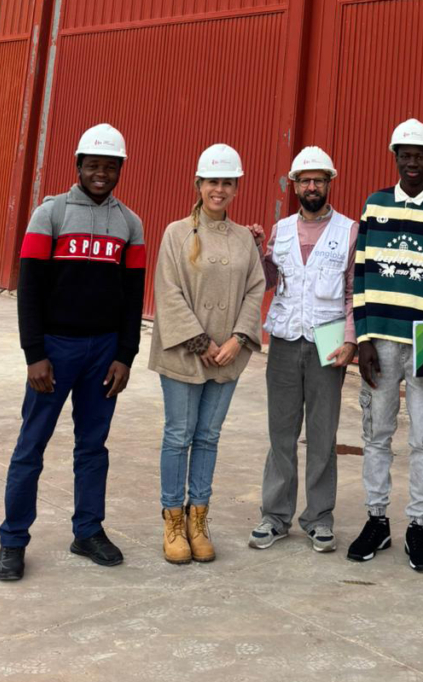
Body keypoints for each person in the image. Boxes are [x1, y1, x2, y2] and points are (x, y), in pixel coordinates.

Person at [0, 123, 146, 581]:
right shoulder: (50, 215)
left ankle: (88, 531)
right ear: (78, 166)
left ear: (120, 170)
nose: (102, 174)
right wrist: (34, 354)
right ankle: (12, 541)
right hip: (55, 351)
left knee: (92, 447)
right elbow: (29, 290)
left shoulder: (130, 224)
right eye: (93, 165)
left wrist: (125, 355)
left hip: (104, 352)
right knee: (31, 446)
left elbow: (133, 297)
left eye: (110, 167)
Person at [347, 119, 423, 572]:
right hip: (380, 340)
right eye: (405, 155)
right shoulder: (375, 205)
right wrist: (364, 338)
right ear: (395, 157)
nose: (412, 162)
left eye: (419, 155)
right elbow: (361, 275)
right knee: (376, 435)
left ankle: (417, 525)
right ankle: (377, 519)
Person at [148, 143, 265, 564]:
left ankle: (198, 520)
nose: (220, 189)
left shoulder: (244, 239)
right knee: (179, 436)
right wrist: (201, 342)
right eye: (213, 181)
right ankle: (173, 520)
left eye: (227, 183)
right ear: (198, 184)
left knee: (208, 437)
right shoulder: (176, 233)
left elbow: (255, 289)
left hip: (227, 356)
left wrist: (238, 339)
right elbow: (168, 292)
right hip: (185, 354)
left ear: (236, 188)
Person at [246, 147, 358, 553]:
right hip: (284, 338)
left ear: (329, 183)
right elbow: (267, 281)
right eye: (305, 180)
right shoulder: (281, 230)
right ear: (294, 185)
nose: (312, 186)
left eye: (319, 180)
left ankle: (319, 518)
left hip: (328, 341)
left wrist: (350, 340)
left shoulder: (349, 231)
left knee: (323, 434)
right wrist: (258, 250)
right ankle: (275, 516)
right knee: (281, 432)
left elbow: (352, 292)